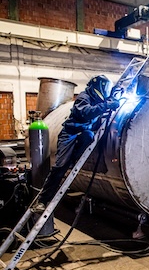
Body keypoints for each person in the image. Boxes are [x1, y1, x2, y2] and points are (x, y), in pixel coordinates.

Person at [32, 75, 121, 213]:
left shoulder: (99, 99)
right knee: (60, 166)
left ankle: (73, 161)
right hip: (70, 133)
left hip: (83, 133)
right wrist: (106, 106)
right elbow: (85, 113)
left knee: (89, 135)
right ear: (100, 87)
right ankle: (43, 200)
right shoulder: (83, 97)